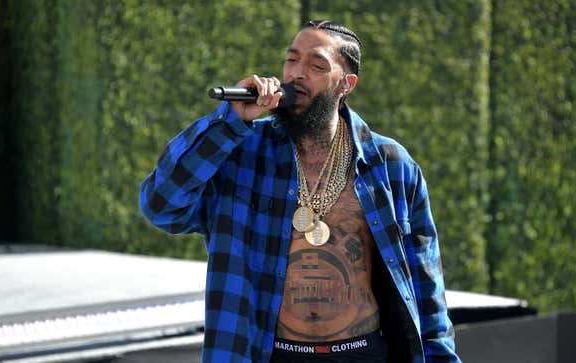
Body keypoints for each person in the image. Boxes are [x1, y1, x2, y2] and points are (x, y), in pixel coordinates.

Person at [140, 20, 461, 363]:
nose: (296, 73)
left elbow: (427, 289)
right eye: (291, 60)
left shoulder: (391, 165)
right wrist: (229, 122)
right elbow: (161, 205)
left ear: (346, 84)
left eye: (316, 65)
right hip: (268, 353)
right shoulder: (241, 151)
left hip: (362, 354)